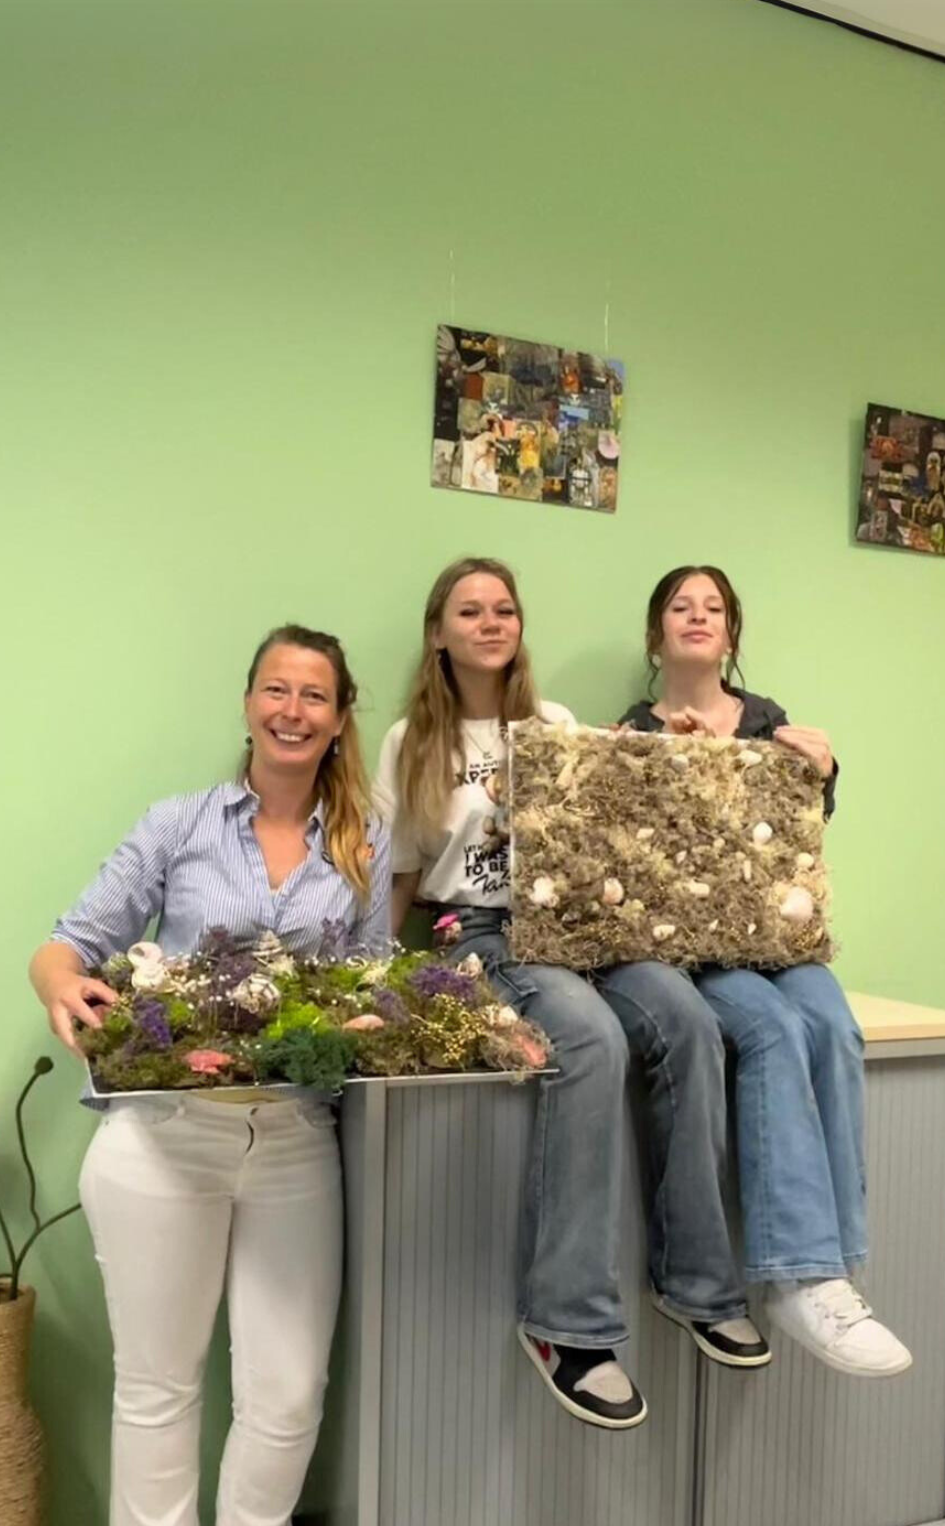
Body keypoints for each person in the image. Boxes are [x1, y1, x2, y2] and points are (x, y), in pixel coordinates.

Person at [28, 625, 389, 1526]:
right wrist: (68, 994)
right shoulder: (177, 826)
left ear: (339, 717)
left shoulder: (364, 846)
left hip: (296, 1145)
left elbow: (373, 984)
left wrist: (369, 1022)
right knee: (159, 1398)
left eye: (315, 694)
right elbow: (63, 948)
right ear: (248, 704)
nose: (293, 708)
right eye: (276, 688)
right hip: (163, 1147)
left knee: (286, 1397)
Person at [373, 558, 769, 1434]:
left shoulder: (552, 725)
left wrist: (669, 749)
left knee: (686, 1019)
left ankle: (699, 1287)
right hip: (474, 932)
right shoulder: (412, 742)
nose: (489, 623)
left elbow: (614, 829)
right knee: (589, 1040)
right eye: (468, 611)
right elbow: (397, 878)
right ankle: (569, 1327)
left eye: (504, 608)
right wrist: (375, 976)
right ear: (438, 632)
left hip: (580, 925)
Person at [619, 566, 912, 1379]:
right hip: (703, 950)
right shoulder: (634, 733)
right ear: (656, 634)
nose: (697, 616)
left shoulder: (771, 722)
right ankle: (795, 1276)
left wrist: (823, 773)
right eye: (681, 606)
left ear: (732, 635)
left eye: (713, 607)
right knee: (775, 1031)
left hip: (779, 943)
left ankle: (836, 1271)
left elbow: (793, 835)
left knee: (832, 1025)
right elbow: (632, 857)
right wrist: (676, 767)